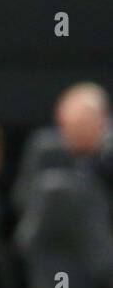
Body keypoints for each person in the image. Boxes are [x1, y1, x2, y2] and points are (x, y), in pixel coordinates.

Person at [12, 83, 113, 214]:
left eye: (83, 124)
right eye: (70, 126)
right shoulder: (46, 150)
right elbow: (22, 198)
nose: (76, 133)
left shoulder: (108, 156)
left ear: (102, 121)